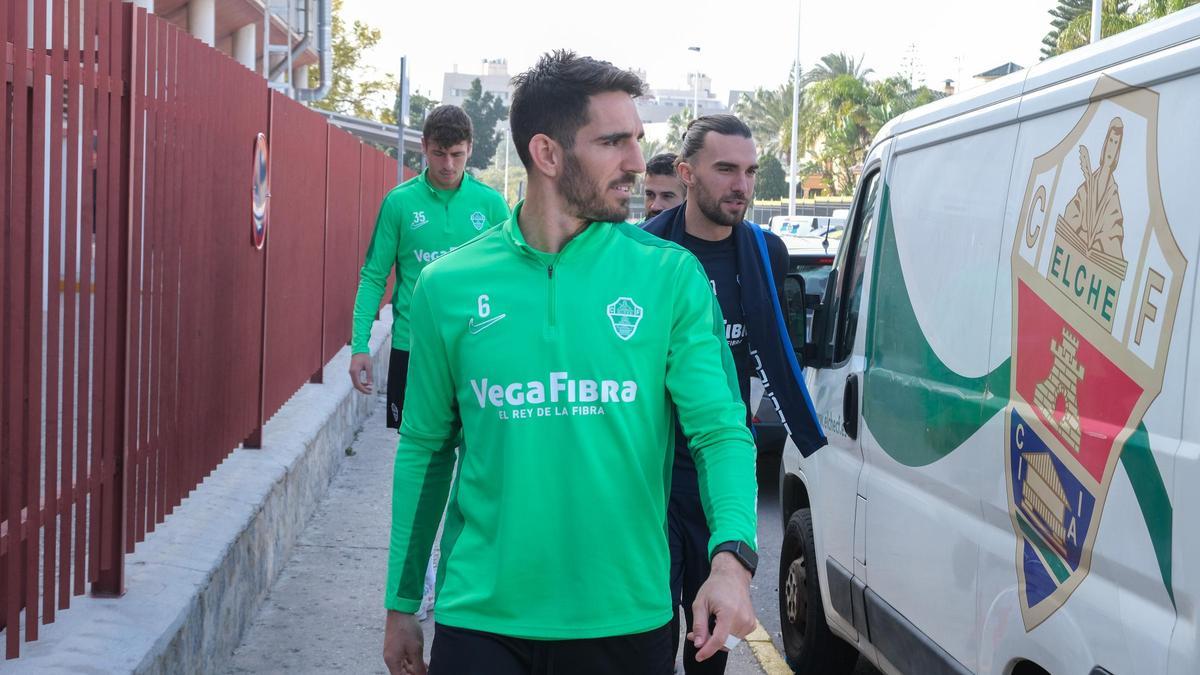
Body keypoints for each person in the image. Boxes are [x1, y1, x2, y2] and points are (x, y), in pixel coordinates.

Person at [381, 51, 759, 675]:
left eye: (637, 140)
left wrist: (731, 559)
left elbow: (721, 431)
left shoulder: (669, 276)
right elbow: (425, 449)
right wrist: (400, 602)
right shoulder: (448, 286)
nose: (637, 162)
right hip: (480, 617)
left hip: (625, 618)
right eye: (613, 142)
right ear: (547, 155)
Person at [642, 114, 827, 674]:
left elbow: (778, 348)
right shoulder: (646, 251)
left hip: (720, 471)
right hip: (647, 471)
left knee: (709, 635)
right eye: (725, 169)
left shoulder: (766, 254)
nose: (741, 184)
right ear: (687, 173)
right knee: (648, 629)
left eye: (748, 171)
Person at [348, 104, 510, 429]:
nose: (448, 165)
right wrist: (360, 345)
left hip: (474, 351)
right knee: (416, 452)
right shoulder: (399, 203)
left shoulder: (491, 205)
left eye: (457, 154)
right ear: (423, 146)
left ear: (470, 149)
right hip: (412, 349)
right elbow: (373, 278)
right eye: (438, 154)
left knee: (476, 454)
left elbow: (511, 279)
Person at [643, 152, 686, 219]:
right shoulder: (632, 229)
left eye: (667, 196)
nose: (654, 207)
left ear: (686, 200)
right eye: (650, 194)